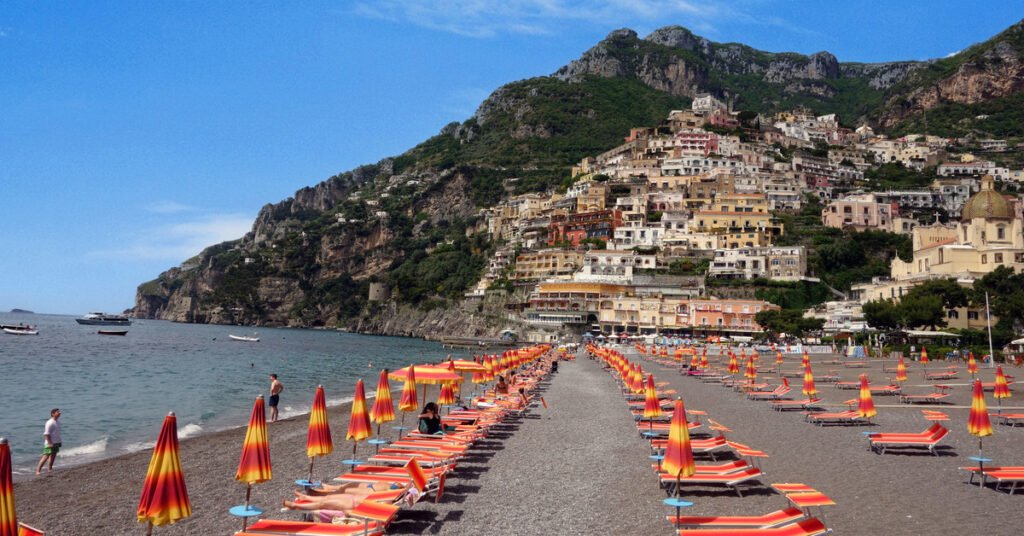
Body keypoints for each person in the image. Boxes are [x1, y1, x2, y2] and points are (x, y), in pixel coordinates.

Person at [35, 408, 62, 475]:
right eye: (57, 412)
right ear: (53, 414)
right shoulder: (49, 422)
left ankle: (50, 468)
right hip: (49, 443)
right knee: (46, 456)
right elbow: (46, 434)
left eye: (59, 412)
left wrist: (59, 441)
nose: (59, 413)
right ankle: (38, 470)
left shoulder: (58, 422)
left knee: (53, 455)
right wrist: (50, 443)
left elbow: (57, 433)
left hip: (56, 442)